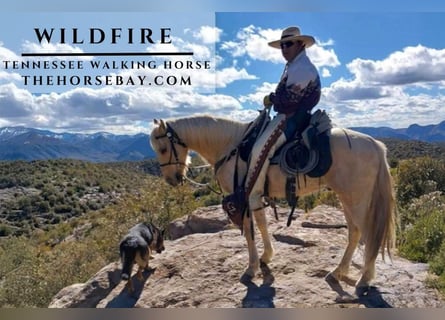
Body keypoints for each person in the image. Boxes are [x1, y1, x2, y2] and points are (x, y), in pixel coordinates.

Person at [244, 26, 321, 212]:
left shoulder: (302, 67)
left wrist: (272, 99)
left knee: (259, 149)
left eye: (288, 44)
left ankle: (254, 194)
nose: (284, 49)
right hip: (290, 114)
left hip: (292, 117)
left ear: (300, 44)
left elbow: (289, 101)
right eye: (282, 45)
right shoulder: (295, 66)